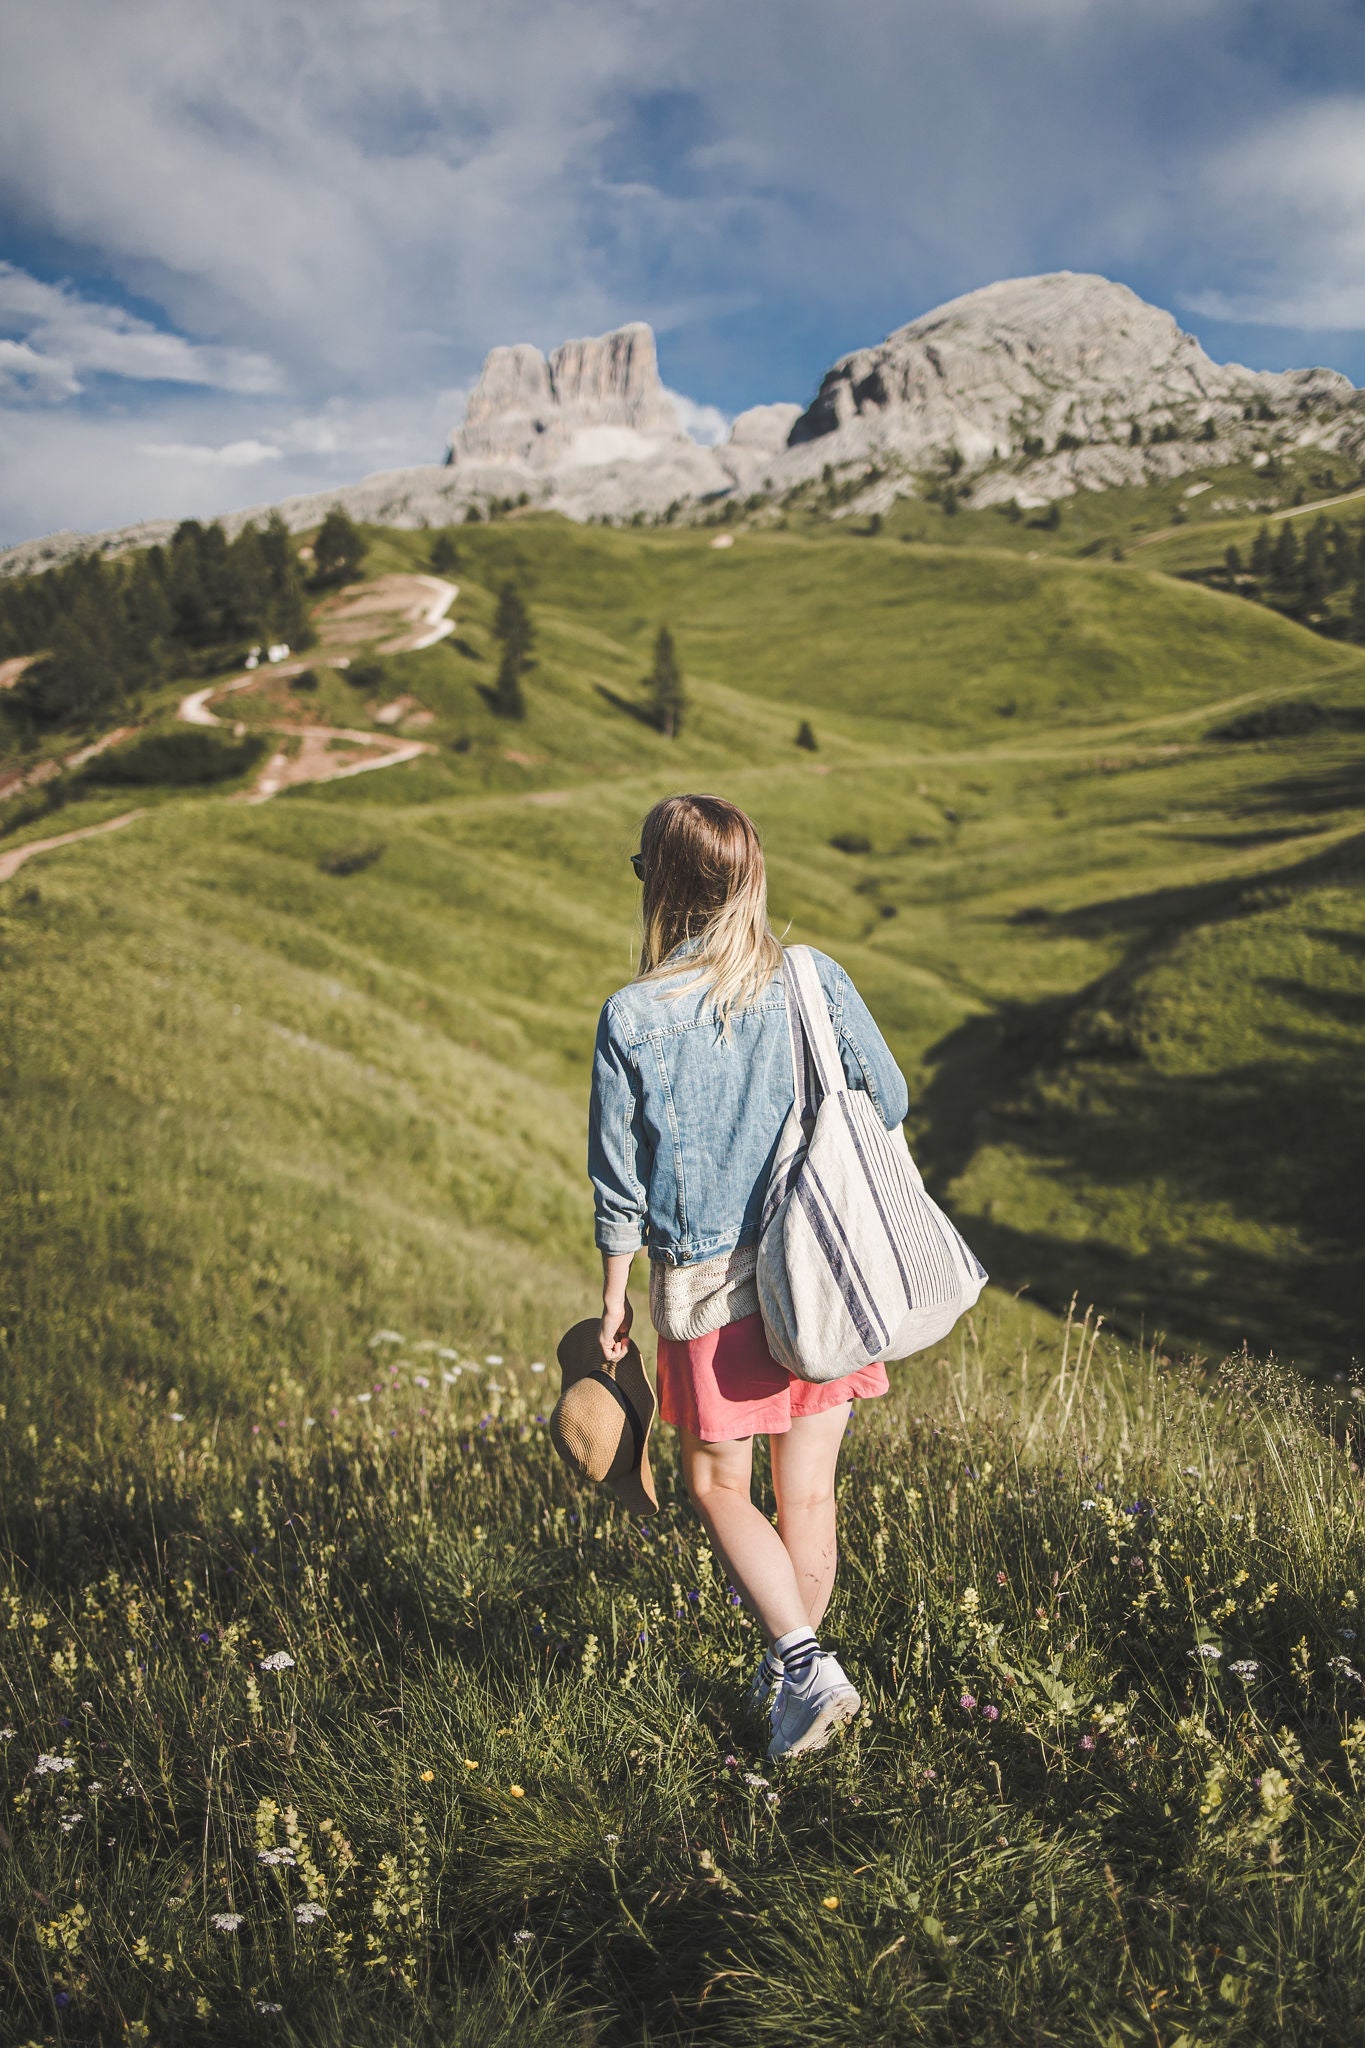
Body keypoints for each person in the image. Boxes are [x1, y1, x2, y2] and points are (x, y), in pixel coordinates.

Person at [588, 793, 910, 1760]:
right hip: (819, 1272)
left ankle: (806, 1670)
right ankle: (795, 1694)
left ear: (665, 888)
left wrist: (612, 1300)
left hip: (711, 1293)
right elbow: (886, 1100)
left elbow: (619, 1184)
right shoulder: (813, 978)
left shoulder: (632, 1016)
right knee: (805, 1494)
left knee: (715, 1483)